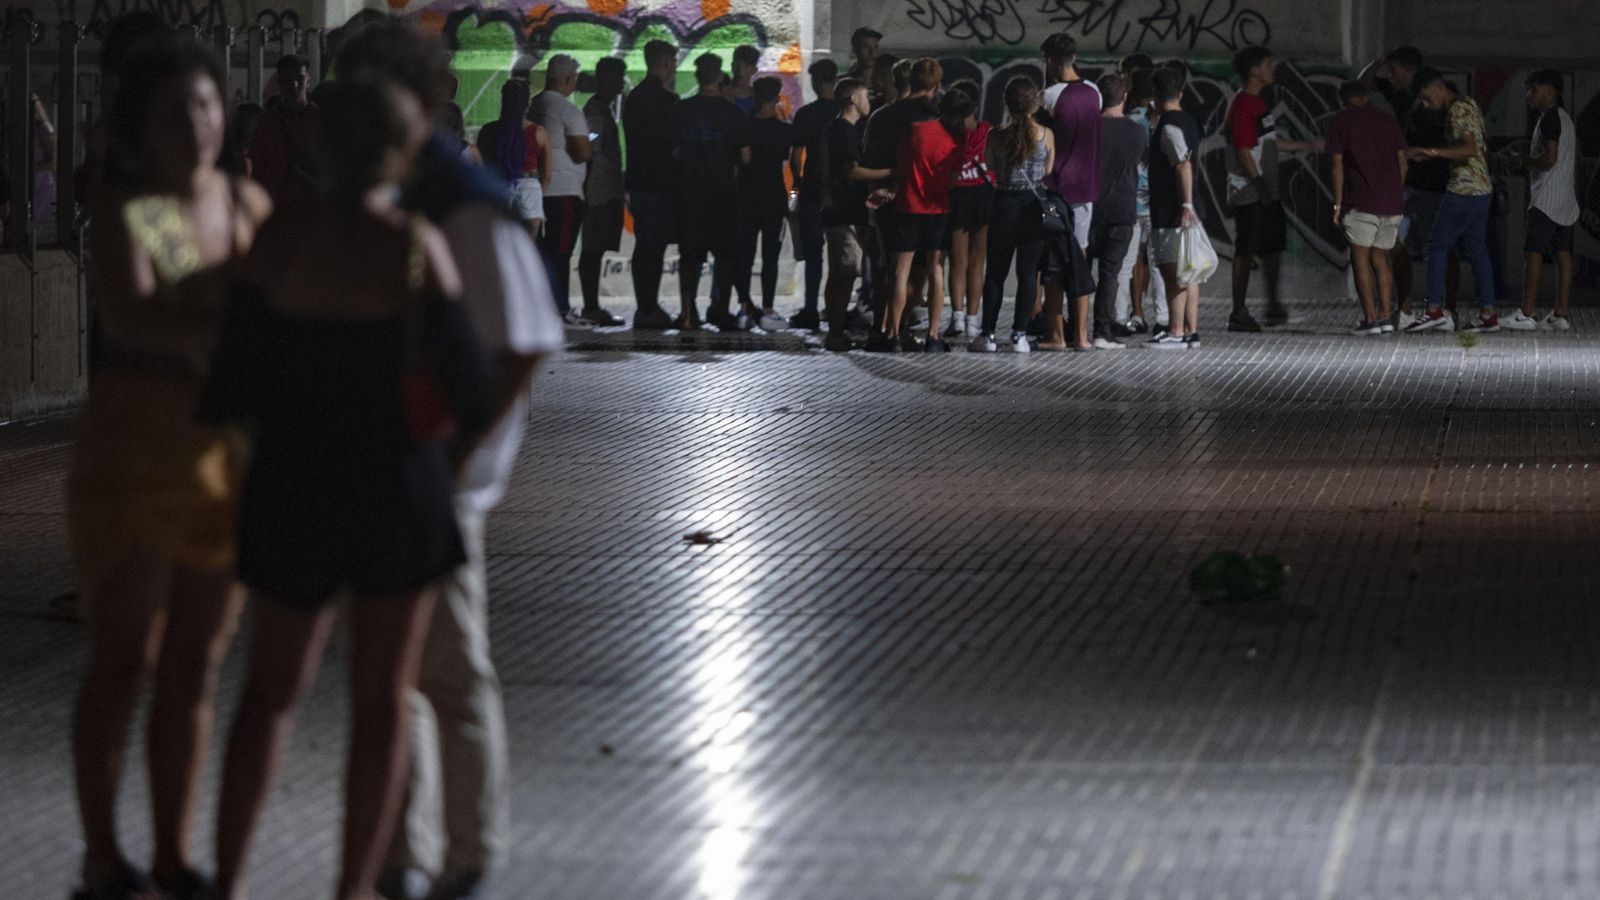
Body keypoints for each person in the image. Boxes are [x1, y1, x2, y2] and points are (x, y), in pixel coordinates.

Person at [206, 75, 495, 900]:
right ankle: (356, 888)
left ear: (318, 147)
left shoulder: (279, 244)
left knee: (268, 696)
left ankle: (225, 881)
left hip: (293, 487)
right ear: (399, 152)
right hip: (398, 494)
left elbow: (229, 385)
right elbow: (471, 390)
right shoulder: (415, 245)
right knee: (379, 703)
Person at [327, 23, 564, 900]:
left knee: (448, 671)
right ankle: (403, 851)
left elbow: (523, 343)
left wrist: (460, 454)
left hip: (435, 479)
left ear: (420, 104)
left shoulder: (459, 205)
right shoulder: (379, 199)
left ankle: (463, 855)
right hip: (380, 468)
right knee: (393, 675)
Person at [68, 33, 271, 900]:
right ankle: (104, 854)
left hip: (225, 460)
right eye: (172, 112)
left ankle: (176, 856)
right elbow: (139, 317)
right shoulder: (139, 207)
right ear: (138, 130)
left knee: (196, 661)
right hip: (137, 455)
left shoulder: (248, 204)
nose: (195, 126)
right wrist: (242, 338)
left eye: (205, 104)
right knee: (127, 656)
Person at [1224, 45, 1318, 332]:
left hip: (1266, 188)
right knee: (1246, 249)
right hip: (1251, 189)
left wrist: (1309, 145)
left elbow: (1268, 142)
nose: (1271, 69)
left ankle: (1274, 305)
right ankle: (1238, 312)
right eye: (1267, 64)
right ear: (1254, 70)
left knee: (1273, 247)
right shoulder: (1243, 106)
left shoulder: (1259, 104)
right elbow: (1242, 149)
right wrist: (1260, 184)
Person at [1361, 46, 1452, 321]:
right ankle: (1405, 307)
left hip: (1433, 184)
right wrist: (1380, 59)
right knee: (1395, 245)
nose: (1391, 76)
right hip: (1405, 184)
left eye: (1395, 70)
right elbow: (1362, 81)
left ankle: (1444, 307)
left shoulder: (1434, 97)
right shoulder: (1399, 94)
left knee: (1437, 248)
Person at [1403, 72, 1498, 333]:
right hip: (1482, 188)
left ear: (1437, 87)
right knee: (1477, 250)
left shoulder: (1457, 110)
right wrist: (1432, 155)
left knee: (1435, 246)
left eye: (1425, 97)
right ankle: (1488, 313)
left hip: (1464, 188)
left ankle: (1434, 310)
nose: (1424, 104)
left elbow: (1469, 149)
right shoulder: (1469, 104)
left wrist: (1433, 152)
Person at [859, 57, 941, 351]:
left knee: (890, 269)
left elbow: (868, 159)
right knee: (923, 269)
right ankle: (905, 325)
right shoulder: (937, 117)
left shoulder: (881, 117)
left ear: (896, 82)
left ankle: (883, 329)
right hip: (931, 202)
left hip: (889, 201)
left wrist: (884, 187)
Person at [972, 75, 1054, 354]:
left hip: (1003, 204)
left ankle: (988, 334)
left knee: (995, 272)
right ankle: (1019, 334)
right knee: (1029, 273)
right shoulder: (1045, 134)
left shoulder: (995, 135)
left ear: (1006, 103)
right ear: (1034, 104)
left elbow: (991, 165)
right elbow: (1047, 171)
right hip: (1033, 208)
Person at [887, 87, 972, 353]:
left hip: (907, 206)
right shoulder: (958, 141)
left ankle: (893, 333)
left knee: (901, 272)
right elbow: (953, 180)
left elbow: (900, 164)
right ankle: (933, 335)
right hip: (938, 211)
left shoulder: (916, 130)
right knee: (936, 269)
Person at [671, 53, 752, 331]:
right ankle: (720, 309)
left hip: (688, 194)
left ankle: (687, 312)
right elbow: (745, 157)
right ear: (719, 76)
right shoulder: (733, 114)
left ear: (697, 76)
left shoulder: (681, 110)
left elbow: (673, 152)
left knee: (690, 258)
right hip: (724, 195)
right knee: (725, 256)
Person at [1327, 80, 1407, 335]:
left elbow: (1337, 165)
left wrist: (1338, 203)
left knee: (1360, 258)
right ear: (1365, 96)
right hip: (1391, 203)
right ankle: (1385, 316)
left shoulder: (1341, 120)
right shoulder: (1387, 119)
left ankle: (1370, 319)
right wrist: (1394, 190)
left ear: (1343, 100)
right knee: (1380, 258)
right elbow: (1402, 162)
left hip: (1361, 202)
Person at [1039, 34, 1101, 350]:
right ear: (1074, 57)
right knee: (1080, 260)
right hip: (1086, 191)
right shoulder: (1095, 93)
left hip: (1055, 190)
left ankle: (1055, 335)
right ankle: (1081, 335)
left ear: (1049, 60)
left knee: (1053, 265)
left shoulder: (1049, 97)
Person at [818, 78, 886, 351]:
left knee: (843, 272)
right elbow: (851, 170)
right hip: (843, 211)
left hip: (846, 211)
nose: (868, 100)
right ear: (853, 99)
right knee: (844, 272)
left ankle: (836, 331)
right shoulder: (843, 131)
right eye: (865, 95)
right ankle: (835, 332)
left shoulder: (842, 129)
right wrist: (890, 173)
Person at [1513, 69, 1578, 331]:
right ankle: (1559, 313)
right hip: (1566, 200)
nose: (1529, 95)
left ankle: (1526, 313)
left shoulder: (1550, 118)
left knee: (1534, 253)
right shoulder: (1566, 119)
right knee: (1563, 255)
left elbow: (1549, 159)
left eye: (1533, 89)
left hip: (1546, 199)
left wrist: (1525, 162)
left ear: (1550, 91)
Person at [622, 39, 681, 331]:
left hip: (638, 181)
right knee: (655, 248)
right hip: (662, 183)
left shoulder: (633, 98)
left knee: (643, 245)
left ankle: (643, 306)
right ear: (666, 64)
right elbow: (675, 146)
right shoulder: (669, 101)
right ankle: (649, 307)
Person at [530, 54, 593, 321]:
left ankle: (542, 306)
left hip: (538, 191)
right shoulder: (568, 110)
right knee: (562, 253)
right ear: (568, 79)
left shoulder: (533, 105)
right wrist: (591, 143)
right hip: (564, 192)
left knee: (543, 252)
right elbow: (582, 152)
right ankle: (560, 308)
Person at [1147, 66, 1202, 348]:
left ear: (1154, 96)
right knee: (1188, 271)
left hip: (1172, 211)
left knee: (1173, 274)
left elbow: (1183, 165)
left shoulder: (1168, 127)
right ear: (1180, 93)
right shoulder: (1189, 121)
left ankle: (1176, 331)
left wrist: (1185, 204)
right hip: (1186, 210)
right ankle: (1191, 331)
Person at [736, 77, 794, 331]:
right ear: (777, 98)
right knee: (770, 257)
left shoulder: (744, 125)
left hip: (747, 197)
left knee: (745, 256)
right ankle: (768, 309)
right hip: (773, 197)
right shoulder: (784, 130)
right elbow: (784, 157)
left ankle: (744, 307)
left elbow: (745, 159)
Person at [1089, 72, 1141, 351]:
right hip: (1122, 209)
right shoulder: (1136, 131)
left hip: (1088, 209)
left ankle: (1074, 329)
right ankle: (1102, 331)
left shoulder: (1088, 129)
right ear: (1124, 97)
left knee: (1080, 270)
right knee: (1110, 273)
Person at [1115, 68, 1167, 336]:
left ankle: (1124, 316)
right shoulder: (1165, 122)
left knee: (1127, 262)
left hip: (1130, 202)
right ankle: (1164, 319)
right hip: (1157, 203)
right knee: (1158, 264)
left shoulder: (1129, 121)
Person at [789, 58, 840, 331]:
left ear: (816, 81)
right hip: (841, 192)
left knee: (813, 254)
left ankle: (810, 307)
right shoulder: (844, 112)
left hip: (811, 191)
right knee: (839, 255)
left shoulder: (806, 114)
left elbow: (796, 156)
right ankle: (835, 307)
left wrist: (796, 187)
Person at [576, 57, 627, 327]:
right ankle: (591, 306)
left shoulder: (603, 109)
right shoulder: (596, 111)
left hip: (602, 189)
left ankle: (592, 305)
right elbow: (590, 143)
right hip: (598, 191)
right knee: (593, 249)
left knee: (595, 249)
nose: (621, 82)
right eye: (618, 76)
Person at [943, 80, 992, 342]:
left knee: (957, 261)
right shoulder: (988, 132)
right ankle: (974, 320)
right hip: (984, 196)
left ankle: (958, 318)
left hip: (957, 195)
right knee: (977, 261)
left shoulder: (949, 133)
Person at [477, 78, 552, 244]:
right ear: (528, 103)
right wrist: (539, 195)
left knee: (500, 245)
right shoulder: (539, 132)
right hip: (529, 188)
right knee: (527, 248)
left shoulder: (488, 131)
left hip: (499, 186)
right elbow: (546, 175)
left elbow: (482, 165)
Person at [247, 54, 319, 209]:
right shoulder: (267, 122)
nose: (294, 85)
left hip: (310, 206)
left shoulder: (321, 120)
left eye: (299, 79)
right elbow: (258, 170)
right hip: (276, 206)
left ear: (308, 81)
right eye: (287, 80)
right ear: (279, 83)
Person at [726, 45, 760, 114]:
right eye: (737, 65)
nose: (740, 69)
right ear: (732, 66)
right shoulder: (720, 96)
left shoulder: (759, 99)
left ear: (754, 70)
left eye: (746, 66)